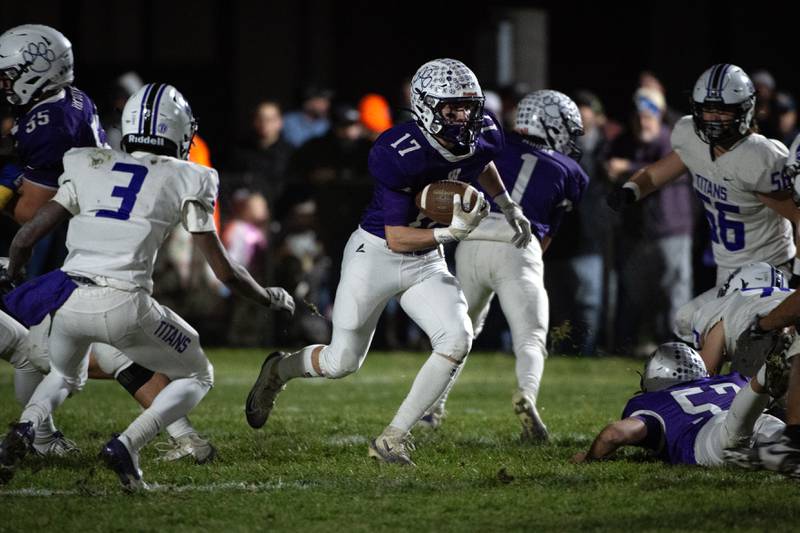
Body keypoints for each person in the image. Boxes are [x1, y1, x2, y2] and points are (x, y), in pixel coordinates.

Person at [0, 83, 295, 490]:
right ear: (176, 130)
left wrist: (14, 271)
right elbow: (225, 271)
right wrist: (268, 297)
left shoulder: (88, 162)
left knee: (65, 376)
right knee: (199, 375)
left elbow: (25, 237)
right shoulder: (190, 176)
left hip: (67, 299)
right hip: (123, 302)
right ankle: (128, 444)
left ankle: (24, 429)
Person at [245, 58, 532, 466]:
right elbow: (396, 237)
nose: (463, 116)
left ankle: (393, 438)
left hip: (426, 260)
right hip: (376, 253)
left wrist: (507, 203)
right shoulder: (399, 150)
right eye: (451, 108)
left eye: (467, 106)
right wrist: (450, 233)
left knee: (457, 339)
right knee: (341, 361)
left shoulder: (484, 131)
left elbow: (480, 162)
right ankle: (279, 370)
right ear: (425, 107)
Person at [0, 24, 215, 462]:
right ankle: (180, 437)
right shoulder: (69, 101)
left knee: (52, 353)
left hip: (62, 252)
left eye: (8, 74)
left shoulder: (49, 119)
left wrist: (4, 183)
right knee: (94, 354)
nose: (3, 84)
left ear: (35, 70)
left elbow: (31, 211)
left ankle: (37, 436)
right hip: (83, 251)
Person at [420, 90, 589, 441]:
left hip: (473, 240)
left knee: (459, 333)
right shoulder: (572, 171)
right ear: (552, 125)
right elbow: (547, 236)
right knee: (530, 338)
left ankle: (430, 410)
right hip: (519, 244)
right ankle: (526, 394)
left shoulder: (492, 144)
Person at [606, 64, 798, 342]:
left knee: (739, 341)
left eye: (723, 110)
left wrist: (797, 274)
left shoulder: (758, 157)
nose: (714, 118)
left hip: (767, 272)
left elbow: (797, 215)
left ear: (745, 110)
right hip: (729, 272)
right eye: (708, 109)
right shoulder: (691, 138)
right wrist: (632, 190)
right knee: (689, 322)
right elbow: (659, 171)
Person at [572, 342, 784, 466]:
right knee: (790, 451)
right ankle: (765, 374)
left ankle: (765, 375)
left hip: (711, 438)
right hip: (760, 418)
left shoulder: (652, 401)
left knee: (733, 433)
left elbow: (614, 434)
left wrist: (589, 458)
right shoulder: (732, 379)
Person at [607, 87, 694, 354]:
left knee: (674, 294)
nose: (642, 122)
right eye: (638, 116)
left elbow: (665, 172)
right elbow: (606, 164)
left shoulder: (671, 140)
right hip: (636, 231)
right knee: (637, 294)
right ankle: (635, 344)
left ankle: (680, 349)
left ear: (658, 116)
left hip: (672, 230)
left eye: (648, 116)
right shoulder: (624, 140)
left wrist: (627, 169)